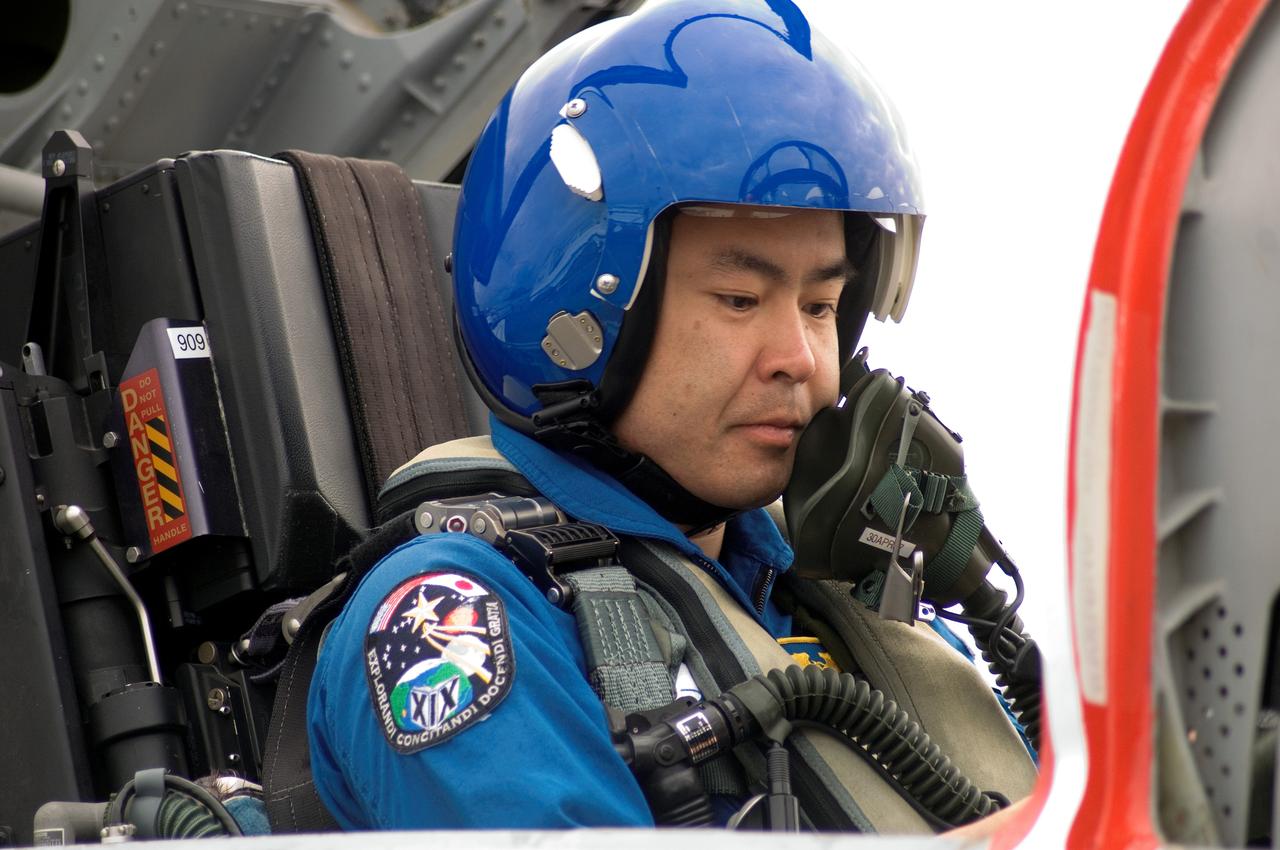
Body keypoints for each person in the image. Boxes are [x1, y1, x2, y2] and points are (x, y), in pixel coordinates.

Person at [307, 0, 1037, 832]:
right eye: (739, 298)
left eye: (823, 303)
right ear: (574, 305)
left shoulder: (853, 614)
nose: (799, 357)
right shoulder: (452, 617)